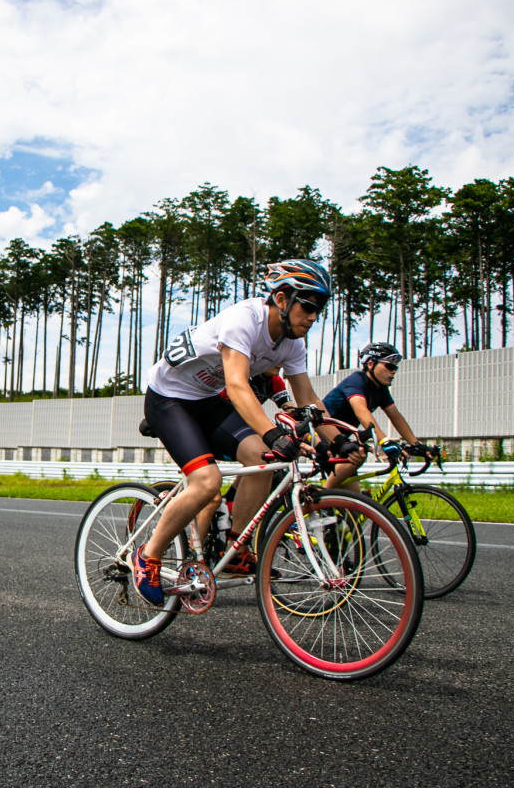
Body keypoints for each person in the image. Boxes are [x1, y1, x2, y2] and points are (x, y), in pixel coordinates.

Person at [133, 259, 364, 605]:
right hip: (169, 399)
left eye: (320, 310)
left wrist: (340, 441)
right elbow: (238, 386)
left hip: (206, 399)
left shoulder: (291, 343)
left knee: (260, 458)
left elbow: (308, 399)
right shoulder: (246, 319)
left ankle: (236, 547)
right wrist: (274, 433)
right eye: (310, 307)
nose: (314, 317)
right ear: (283, 299)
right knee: (208, 483)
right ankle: (147, 556)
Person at [322, 342, 438, 489]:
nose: (394, 371)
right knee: (359, 454)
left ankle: (326, 501)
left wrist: (416, 445)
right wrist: (385, 442)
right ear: (370, 364)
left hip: (341, 440)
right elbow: (362, 412)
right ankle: (319, 501)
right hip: (322, 435)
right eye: (389, 366)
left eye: (395, 368)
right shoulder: (356, 382)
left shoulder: (380, 390)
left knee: (355, 505)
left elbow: (396, 417)